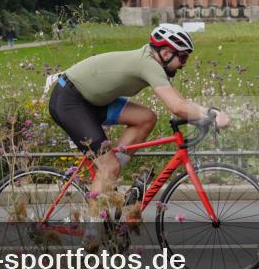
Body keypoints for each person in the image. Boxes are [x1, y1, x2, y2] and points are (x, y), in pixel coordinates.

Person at [48, 23, 230, 220]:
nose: (184, 64)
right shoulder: (149, 64)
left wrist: (206, 114)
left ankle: (110, 174)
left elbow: (181, 102)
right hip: (70, 101)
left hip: (91, 100)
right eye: (183, 57)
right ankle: (92, 237)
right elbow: (177, 106)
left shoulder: (152, 60)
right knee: (108, 167)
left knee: (146, 118)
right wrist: (212, 114)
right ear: (167, 52)